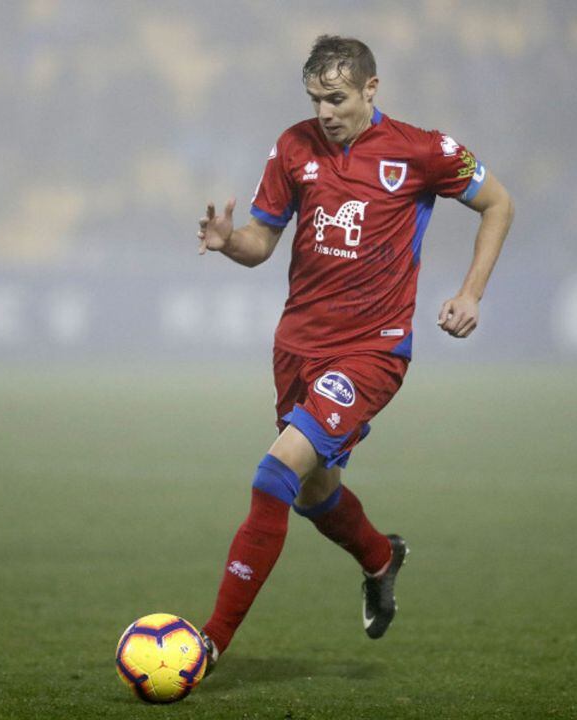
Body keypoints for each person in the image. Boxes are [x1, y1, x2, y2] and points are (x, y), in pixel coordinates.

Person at [194, 35, 513, 668]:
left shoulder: (424, 150)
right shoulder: (294, 147)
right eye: (315, 99)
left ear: (371, 89)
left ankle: (207, 645)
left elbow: (498, 203)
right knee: (315, 492)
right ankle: (380, 556)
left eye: (336, 98)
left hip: (373, 350)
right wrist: (231, 242)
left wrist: (471, 294)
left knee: (274, 474)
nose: (325, 112)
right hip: (298, 346)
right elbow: (262, 242)